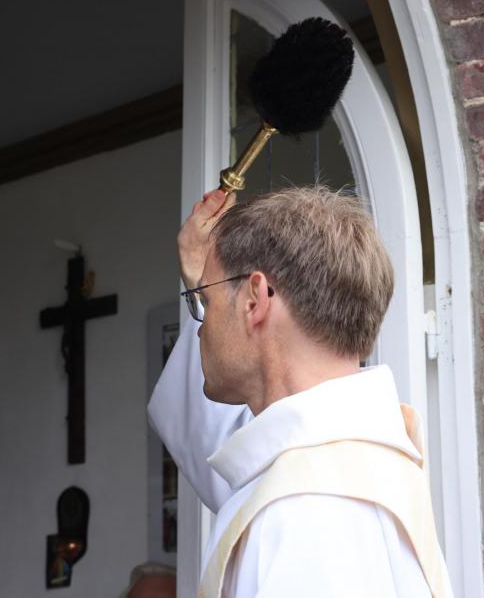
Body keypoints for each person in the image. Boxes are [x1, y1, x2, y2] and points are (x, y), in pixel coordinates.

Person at [148, 187, 451, 597]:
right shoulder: (350, 462)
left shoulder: (308, 510)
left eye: (206, 301)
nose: (202, 325)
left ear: (255, 299)